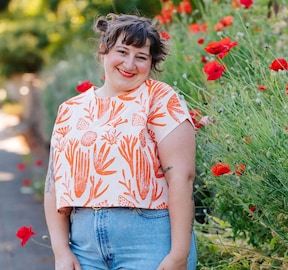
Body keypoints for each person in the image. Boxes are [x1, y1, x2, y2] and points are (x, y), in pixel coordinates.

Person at [44, 13, 197, 270]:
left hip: (149, 243)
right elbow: (54, 184)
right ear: (104, 52)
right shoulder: (70, 110)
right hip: (84, 248)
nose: (130, 63)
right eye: (122, 51)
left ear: (151, 63)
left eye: (141, 56)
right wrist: (61, 251)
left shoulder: (159, 99)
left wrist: (178, 254)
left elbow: (182, 177)